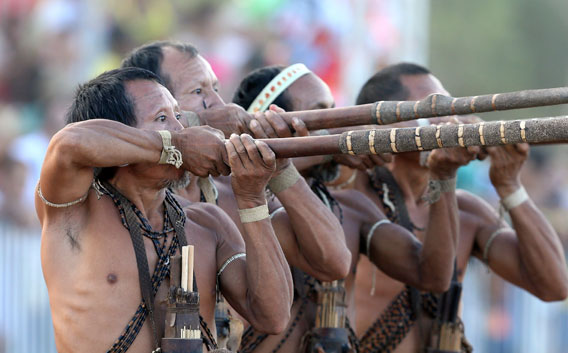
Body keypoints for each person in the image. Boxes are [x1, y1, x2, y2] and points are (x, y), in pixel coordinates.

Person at [36, 67, 293, 353]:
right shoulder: (75, 211)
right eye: (162, 118)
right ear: (119, 135)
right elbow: (69, 145)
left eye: (178, 117)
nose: (182, 130)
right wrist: (175, 146)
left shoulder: (208, 222)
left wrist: (251, 198)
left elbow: (273, 315)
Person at [229, 64, 478, 352]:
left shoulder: (350, 207)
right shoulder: (234, 201)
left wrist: (445, 175)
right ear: (275, 122)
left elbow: (433, 276)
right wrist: (328, 147)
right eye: (322, 112)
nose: (337, 123)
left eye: (335, 111)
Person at [349, 63, 568, 352]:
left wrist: (510, 186)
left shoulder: (465, 211)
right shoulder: (351, 201)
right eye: (433, 109)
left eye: (449, 110)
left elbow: (554, 286)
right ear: (384, 123)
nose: (448, 121)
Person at [121, 41, 351, 284]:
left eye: (216, 89)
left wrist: (282, 169)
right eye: (198, 92)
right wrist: (196, 121)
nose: (221, 104)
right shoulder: (120, 186)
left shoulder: (237, 193)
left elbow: (335, 263)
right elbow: (80, 138)